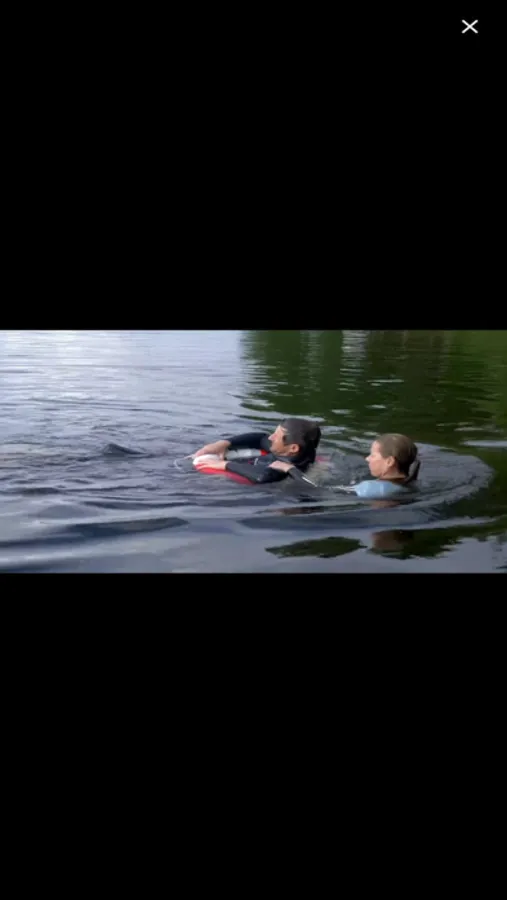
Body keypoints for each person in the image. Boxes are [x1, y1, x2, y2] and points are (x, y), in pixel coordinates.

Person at [192, 418, 322, 484]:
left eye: (276, 436)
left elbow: (262, 477)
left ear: (293, 448)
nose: (271, 438)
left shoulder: (285, 468)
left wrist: (223, 465)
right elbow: (260, 438)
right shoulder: (289, 452)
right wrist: (222, 444)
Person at [352, 433, 420, 498]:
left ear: (389, 462)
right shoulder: (412, 484)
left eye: (373, 455)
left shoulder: (369, 489)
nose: (367, 459)